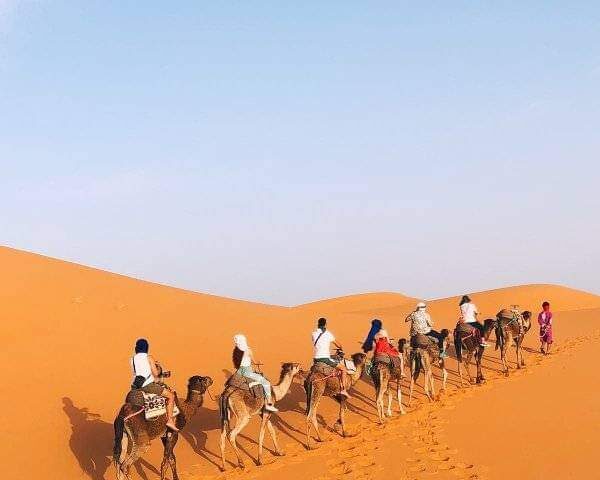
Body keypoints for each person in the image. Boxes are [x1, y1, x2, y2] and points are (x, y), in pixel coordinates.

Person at [131, 338, 179, 431]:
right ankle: (170, 420)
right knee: (171, 396)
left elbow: (139, 372)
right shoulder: (149, 357)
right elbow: (156, 373)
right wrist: (157, 368)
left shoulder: (133, 359)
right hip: (147, 386)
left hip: (135, 386)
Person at [232, 334, 278, 412]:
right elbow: (254, 361)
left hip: (238, 372)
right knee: (266, 382)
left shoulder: (236, 350)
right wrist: (258, 363)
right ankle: (269, 404)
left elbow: (237, 364)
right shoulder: (248, 350)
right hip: (247, 372)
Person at [311, 317, 350, 398]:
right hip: (325, 359)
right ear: (325, 324)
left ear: (318, 324)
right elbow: (338, 344)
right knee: (343, 369)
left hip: (315, 359)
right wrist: (341, 348)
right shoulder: (328, 333)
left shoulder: (313, 333)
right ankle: (343, 390)